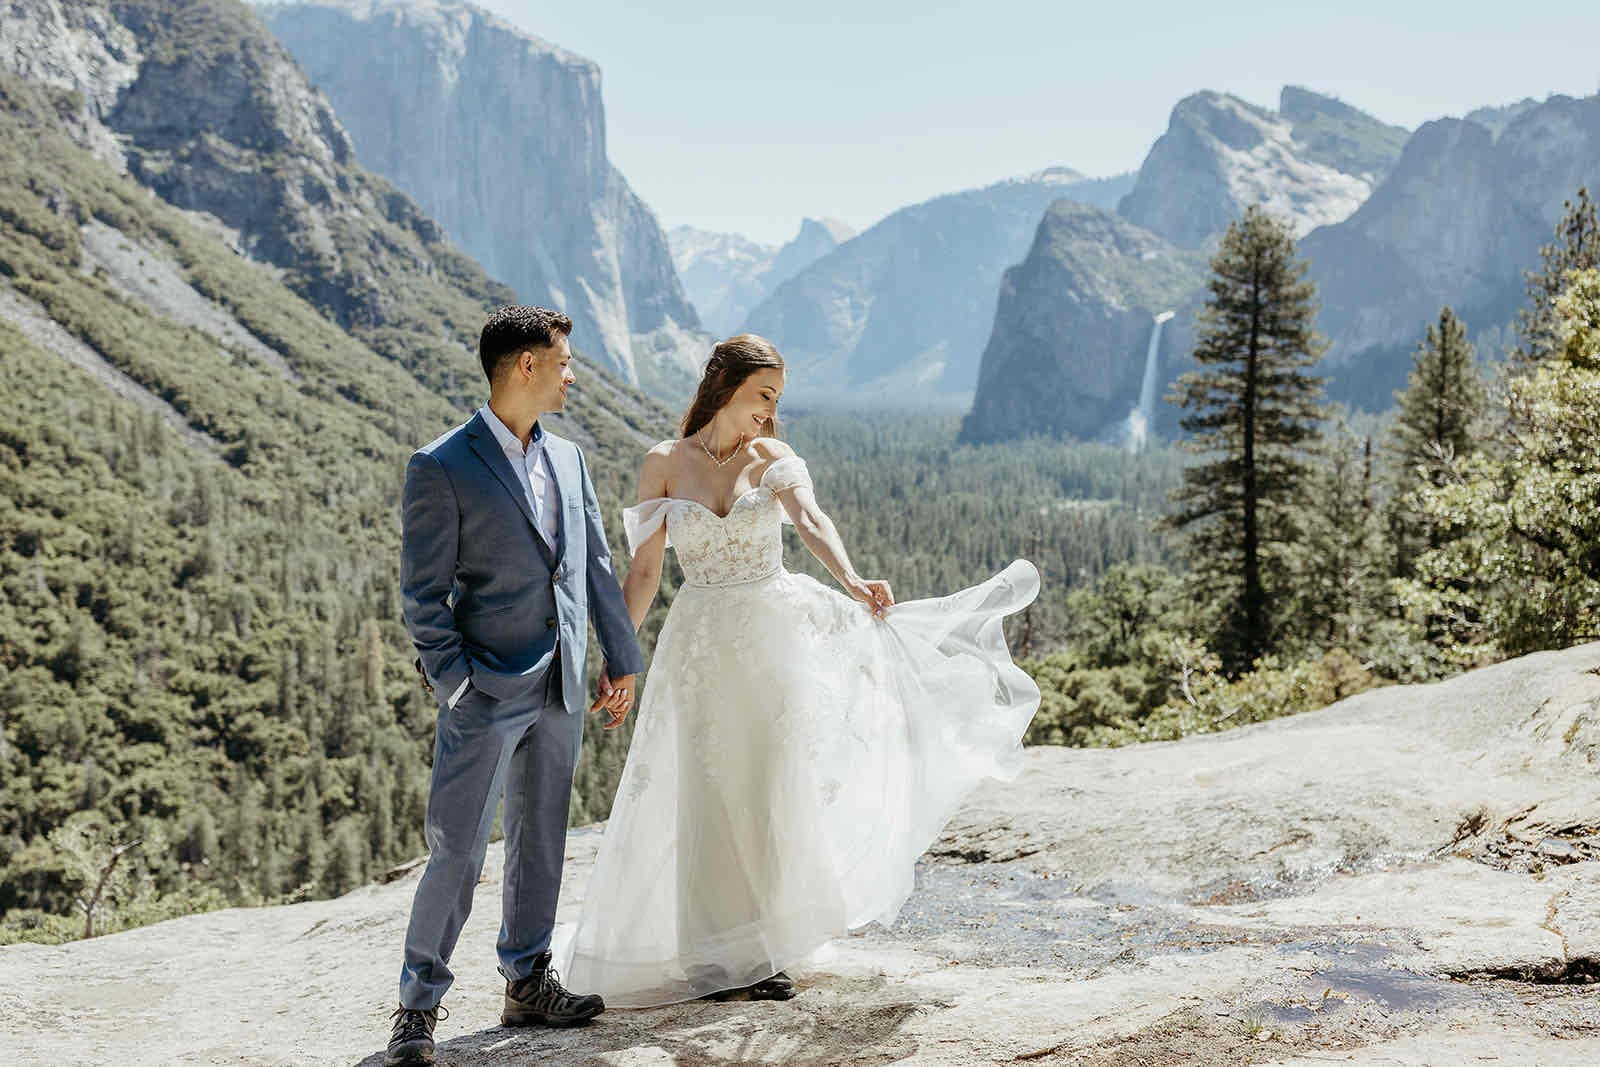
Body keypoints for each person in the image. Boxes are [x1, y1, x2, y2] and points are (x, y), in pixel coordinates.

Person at [560, 334, 1041, 1006]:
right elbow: (643, 573)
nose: (770, 409)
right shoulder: (664, 462)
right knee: (705, 786)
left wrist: (851, 577)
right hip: (699, 644)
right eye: (764, 394)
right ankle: (710, 954)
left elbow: (812, 520)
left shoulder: (773, 458)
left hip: (771, 638)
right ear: (725, 384)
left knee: (766, 782)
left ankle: (763, 946)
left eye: (776, 398)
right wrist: (620, 655)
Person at [387, 306, 643, 1066]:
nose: (572, 376)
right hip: (485, 691)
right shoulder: (441, 464)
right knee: (457, 850)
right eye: (563, 362)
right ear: (526, 365)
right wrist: (457, 684)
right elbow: (421, 595)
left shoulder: (568, 457)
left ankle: (528, 979)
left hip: (562, 681)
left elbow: (594, 564)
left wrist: (619, 655)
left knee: (542, 838)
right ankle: (416, 1008)